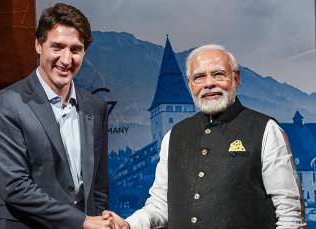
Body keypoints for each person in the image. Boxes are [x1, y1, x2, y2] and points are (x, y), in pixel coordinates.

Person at [104, 44, 307, 228]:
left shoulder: (266, 129)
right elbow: (160, 205)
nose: (209, 83)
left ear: (236, 79)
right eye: (199, 77)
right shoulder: (173, 136)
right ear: (191, 85)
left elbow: (290, 215)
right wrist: (129, 225)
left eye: (218, 74)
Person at [0, 3, 113, 229]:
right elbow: (15, 187)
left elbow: (98, 187)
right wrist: (82, 222)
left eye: (76, 49)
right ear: (38, 45)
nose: (66, 60)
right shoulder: (7, 103)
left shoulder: (96, 107)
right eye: (57, 47)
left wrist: (97, 220)